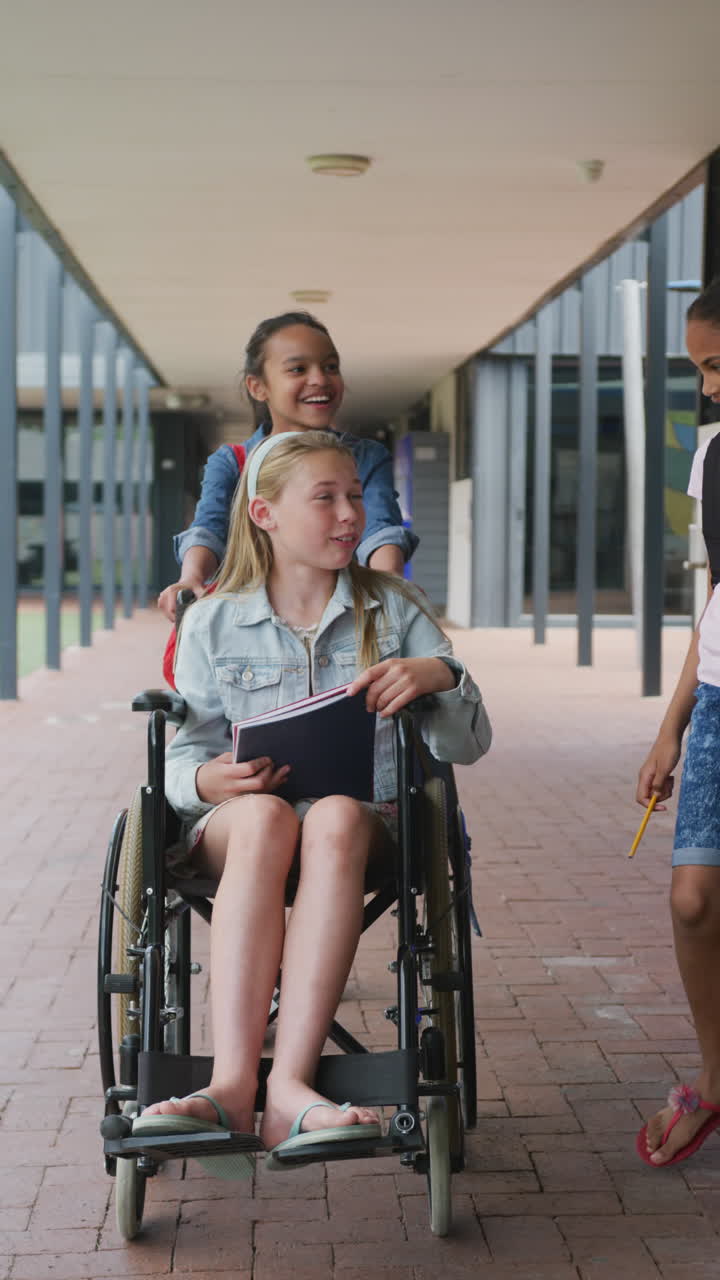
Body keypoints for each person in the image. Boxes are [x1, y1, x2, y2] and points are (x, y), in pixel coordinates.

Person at [135, 430, 491, 1173]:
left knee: (330, 814)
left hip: (359, 833)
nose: (349, 515)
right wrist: (205, 783)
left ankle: (288, 1087)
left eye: (355, 497)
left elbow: (467, 746)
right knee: (266, 817)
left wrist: (439, 677)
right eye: (325, 498)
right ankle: (233, 1083)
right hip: (239, 827)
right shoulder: (214, 620)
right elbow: (185, 753)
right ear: (263, 514)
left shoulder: (393, 610)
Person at [158, 311, 417, 622]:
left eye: (331, 367)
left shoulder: (365, 456)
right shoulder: (233, 463)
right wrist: (191, 579)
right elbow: (208, 529)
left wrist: (389, 585)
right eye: (298, 369)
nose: (319, 379)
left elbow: (380, 531)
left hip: (343, 623)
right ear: (257, 387)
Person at [636, 277, 720, 1168]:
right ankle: (713, 1077)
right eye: (700, 368)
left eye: (719, 364)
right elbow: (714, 597)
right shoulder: (713, 456)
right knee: (694, 900)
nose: (709, 387)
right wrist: (672, 728)